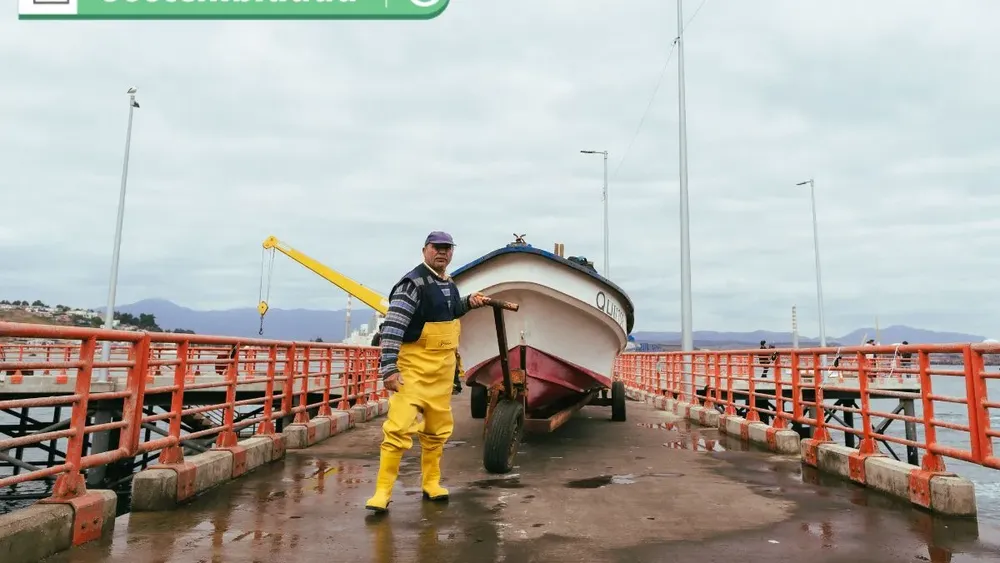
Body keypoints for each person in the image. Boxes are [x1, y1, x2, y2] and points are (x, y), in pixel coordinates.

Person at [365, 231, 487, 513]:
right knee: (398, 427)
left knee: (437, 430)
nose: (442, 253)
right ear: (425, 250)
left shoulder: (448, 283)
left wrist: (469, 301)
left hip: (442, 371)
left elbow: (451, 310)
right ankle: (382, 492)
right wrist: (389, 370)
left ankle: (431, 482)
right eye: (437, 248)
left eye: (447, 248)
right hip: (413, 371)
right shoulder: (413, 284)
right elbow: (393, 328)